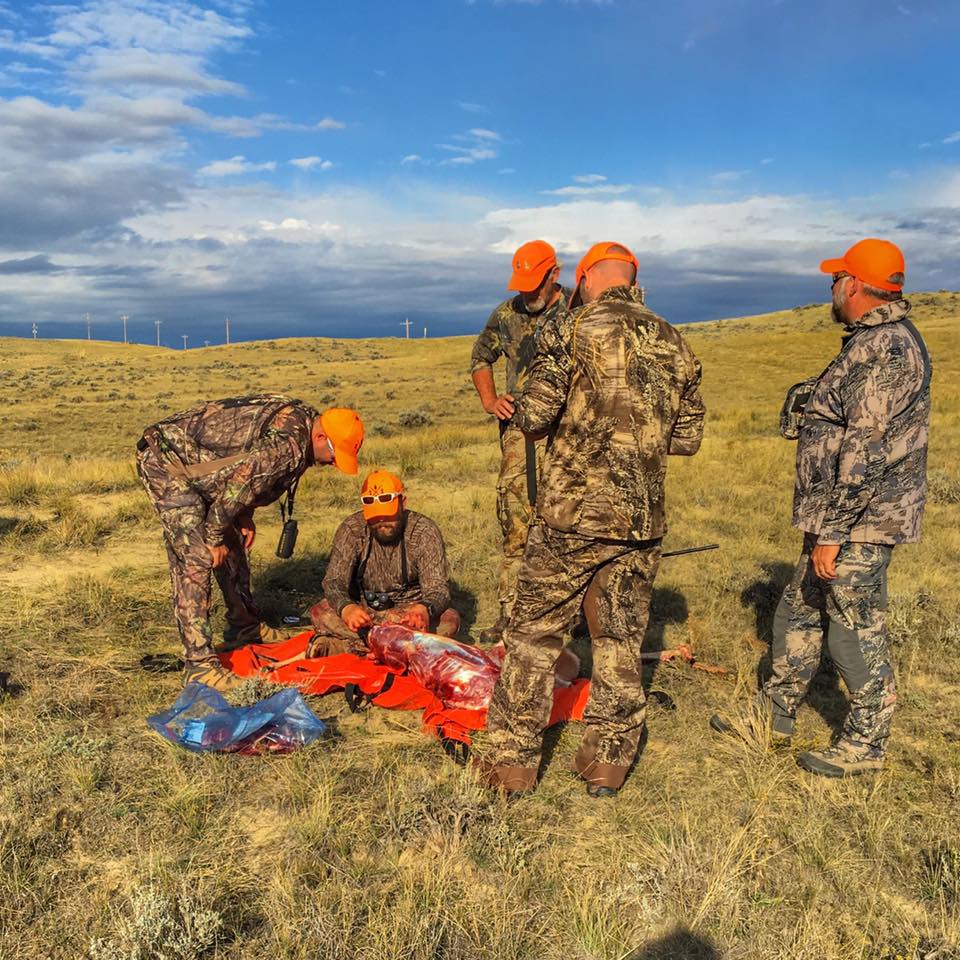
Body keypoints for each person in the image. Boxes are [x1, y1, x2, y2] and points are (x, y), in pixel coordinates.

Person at [477, 242, 706, 797]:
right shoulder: (676, 342)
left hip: (569, 516)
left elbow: (532, 418)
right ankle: (607, 761)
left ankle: (511, 766)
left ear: (583, 279)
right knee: (621, 640)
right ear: (634, 279)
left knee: (533, 637)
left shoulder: (570, 330)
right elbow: (688, 437)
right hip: (640, 521)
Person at [711, 239, 931, 778]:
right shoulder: (868, 341)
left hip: (862, 518)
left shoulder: (888, 349)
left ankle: (866, 743)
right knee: (801, 607)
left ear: (854, 285)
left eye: (835, 280)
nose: (830, 288)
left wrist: (834, 531)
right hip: (835, 515)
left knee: (854, 626)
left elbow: (866, 449)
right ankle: (775, 711)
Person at [137, 396, 364, 689]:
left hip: (199, 469)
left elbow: (242, 470)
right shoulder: (288, 444)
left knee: (230, 542)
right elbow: (241, 480)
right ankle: (200, 666)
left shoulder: (302, 426)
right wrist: (214, 537)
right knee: (196, 556)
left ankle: (245, 627)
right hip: (169, 464)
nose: (333, 463)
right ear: (320, 436)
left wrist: (242, 515)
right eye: (334, 454)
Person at [470, 240, 571, 644]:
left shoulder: (578, 311)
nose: (527, 292)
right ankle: (509, 616)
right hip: (519, 438)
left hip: (569, 436)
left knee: (566, 525)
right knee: (515, 525)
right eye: (522, 283)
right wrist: (491, 401)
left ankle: (563, 616)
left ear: (554, 275)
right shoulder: (506, 314)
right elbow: (480, 358)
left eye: (535, 283)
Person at [308, 469, 461, 654]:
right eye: (374, 518)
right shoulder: (351, 529)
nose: (382, 523)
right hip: (366, 613)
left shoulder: (424, 531)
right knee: (320, 611)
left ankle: (350, 646)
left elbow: (438, 589)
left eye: (388, 516)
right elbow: (334, 581)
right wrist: (347, 608)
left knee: (449, 619)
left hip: (409, 616)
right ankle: (402, 649)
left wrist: (423, 609)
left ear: (402, 503)